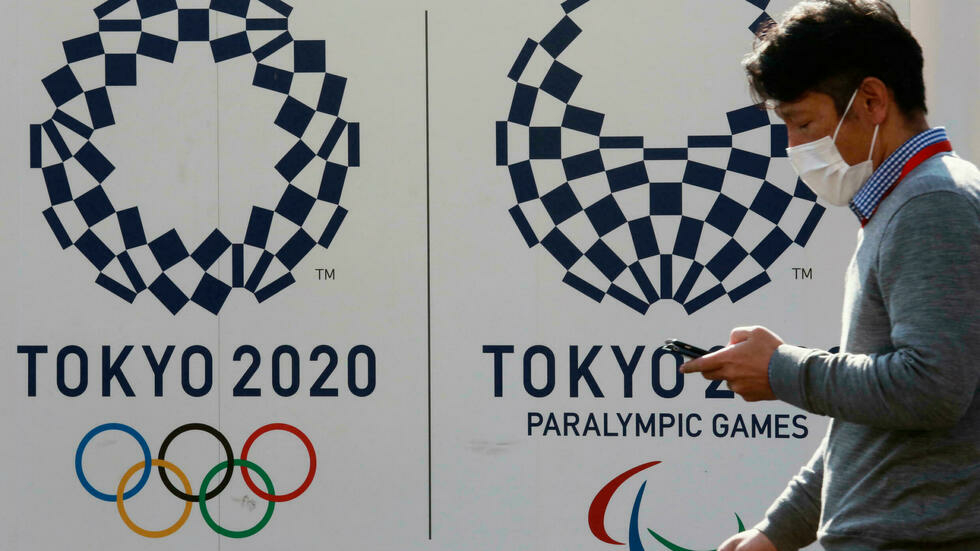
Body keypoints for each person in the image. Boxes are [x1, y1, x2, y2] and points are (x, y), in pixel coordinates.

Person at [678, 1, 980, 550]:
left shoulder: (931, 204)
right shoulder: (904, 203)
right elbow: (868, 418)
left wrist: (782, 370)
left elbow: (933, 388)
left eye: (804, 123)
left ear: (871, 101)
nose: (794, 147)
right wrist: (774, 534)